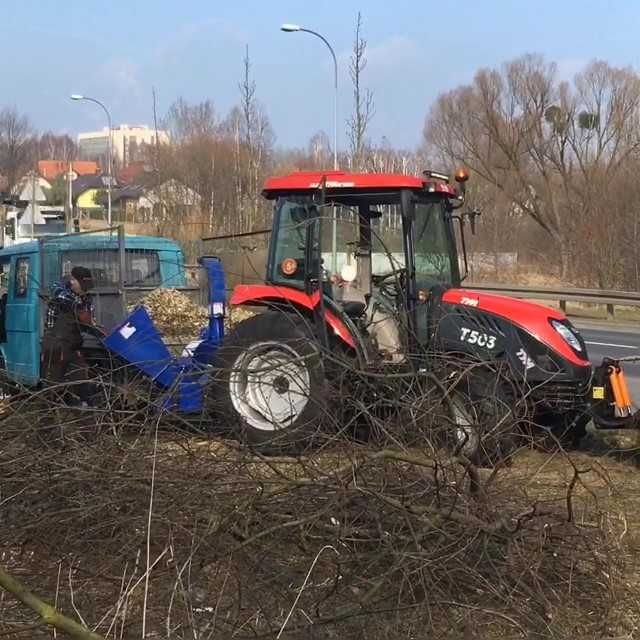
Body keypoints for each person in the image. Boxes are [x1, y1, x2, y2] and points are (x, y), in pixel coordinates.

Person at [41, 266, 95, 405]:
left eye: (86, 286)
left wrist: (96, 329)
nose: (85, 289)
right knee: (52, 383)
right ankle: (49, 416)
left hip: (74, 344)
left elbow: (88, 322)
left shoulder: (86, 298)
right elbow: (62, 296)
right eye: (82, 285)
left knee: (81, 377)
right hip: (55, 345)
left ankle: (84, 407)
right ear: (72, 281)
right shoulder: (60, 291)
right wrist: (78, 307)